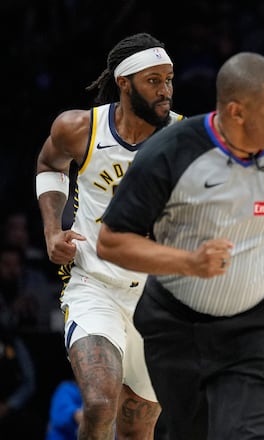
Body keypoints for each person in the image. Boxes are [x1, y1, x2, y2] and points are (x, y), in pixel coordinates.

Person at [95, 52, 264, 440]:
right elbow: (112, 242)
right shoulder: (169, 153)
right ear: (237, 112)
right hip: (175, 325)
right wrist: (188, 262)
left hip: (255, 326)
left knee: (247, 435)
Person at [34, 32, 181, 439]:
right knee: (99, 404)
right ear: (124, 82)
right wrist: (51, 231)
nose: (165, 90)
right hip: (93, 282)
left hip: (157, 299)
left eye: (168, 79)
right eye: (153, 81)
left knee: (138, 426)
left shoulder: (184, 141)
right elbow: (50, 163)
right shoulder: (79, 127)